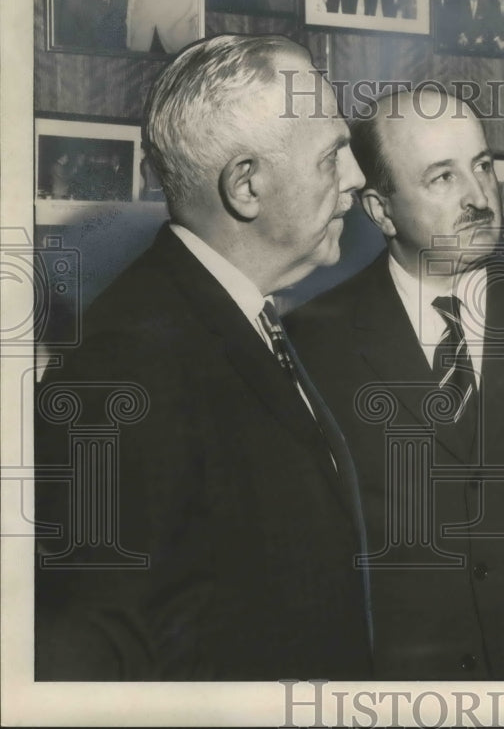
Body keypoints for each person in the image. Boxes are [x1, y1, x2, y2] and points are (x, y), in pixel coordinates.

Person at [34, 34, 371, 680]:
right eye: (332, 157)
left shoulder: (239, 319)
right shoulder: (124, 370)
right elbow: (102, 654)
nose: (357, 177)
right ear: (246, 185)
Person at [285, 89, 504, 680]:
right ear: (381, 211)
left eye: (482, 165)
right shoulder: (310, 343)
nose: (478, 196)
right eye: (441, 177)